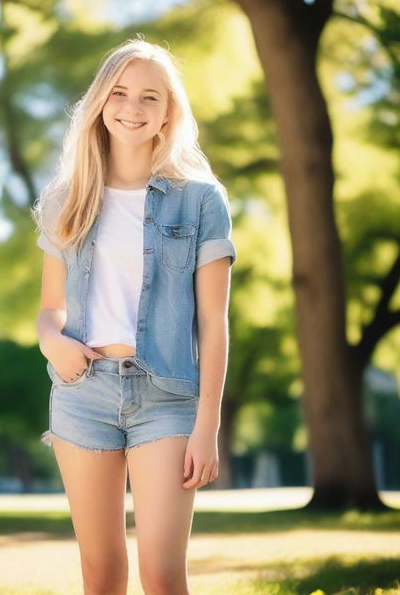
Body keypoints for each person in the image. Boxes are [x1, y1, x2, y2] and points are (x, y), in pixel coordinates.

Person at [31, 34, 236, 595]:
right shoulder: (66, 198)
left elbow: (214, 323)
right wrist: (54, 344)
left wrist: (207, 425)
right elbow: (50, 311)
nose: (132, 108)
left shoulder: (200, 200)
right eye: (119, 93)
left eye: (151, 97)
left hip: (167, 398)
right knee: (100, 576)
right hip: (82, 394)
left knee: (163, 575)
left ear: (170, 111)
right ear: (100, 102)